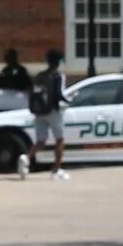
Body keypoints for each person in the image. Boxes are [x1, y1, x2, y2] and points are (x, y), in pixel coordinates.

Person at [27, 49, 71, 180]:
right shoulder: (58, 75)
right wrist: (69, 100)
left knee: (40, 141)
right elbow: (59, 94)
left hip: (39, 111)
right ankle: (56, 170)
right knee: (60, 140)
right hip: (53, 111)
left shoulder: (40, 75)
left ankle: (25, 158)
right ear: (58, 62)